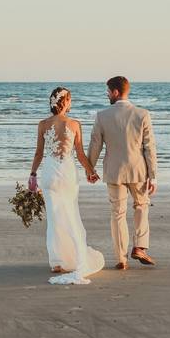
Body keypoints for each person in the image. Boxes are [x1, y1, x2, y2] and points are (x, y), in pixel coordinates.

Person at [28, 87, 105, 284]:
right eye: (70, 100)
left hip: (50, 173)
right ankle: (75, 254)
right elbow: (79, 154)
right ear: (66, 102)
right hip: (68, 173)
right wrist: (91, 171)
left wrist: (33, 174)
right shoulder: (74, 124)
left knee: (54, 217)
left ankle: (56, 261)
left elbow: (38, 153)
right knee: (70, 213)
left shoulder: (43, 125)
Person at [87, 76, 159, 270]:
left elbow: (95, 144)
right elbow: (149, 147)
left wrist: (90, 168)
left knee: (118, 213)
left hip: (114, 171)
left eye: (108, 91)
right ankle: (140, 247)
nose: (107, 94)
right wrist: (153, 175)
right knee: (141, 206)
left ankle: (121, 258)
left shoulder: (102, 116)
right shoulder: (142, 114)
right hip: (138, 170)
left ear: (116, 92)